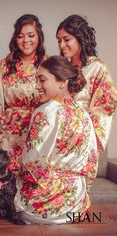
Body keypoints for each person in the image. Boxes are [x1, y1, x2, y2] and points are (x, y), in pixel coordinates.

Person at [15, 56, 98, 224]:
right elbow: (92, 163)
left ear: (63, 82)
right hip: (76, 204)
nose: (37, 87)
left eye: (42, 80)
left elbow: (31, 163)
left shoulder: (45, 111)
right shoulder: (84, 114)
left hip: (44, 205)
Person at [0, 14, 47, 173]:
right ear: (15, 39)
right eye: (20, 36)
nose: (26, 40)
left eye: (31, 35)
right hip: (9, 134)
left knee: (33, 178)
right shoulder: (5, 65)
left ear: (39, 37)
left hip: (38, 130)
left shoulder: (48, 64)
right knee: (8, 179)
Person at [56, 14, 117, 154]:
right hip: (59, 135)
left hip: (82, 137)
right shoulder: (62, 67)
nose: (61, 45)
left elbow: (107, 104)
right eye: (59, 40)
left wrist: (83, 128)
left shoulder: (97, 68)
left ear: (80, 38)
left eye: (66, 40)